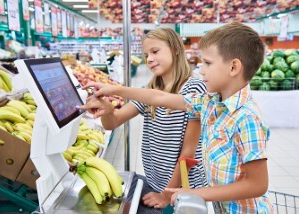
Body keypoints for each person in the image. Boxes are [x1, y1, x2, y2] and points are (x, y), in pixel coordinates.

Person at [78, 22, 274, 213]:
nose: (201, 69)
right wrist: (112, 97)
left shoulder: (244, 116)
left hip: (209, 197)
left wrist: (193, 193)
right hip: (205, 199)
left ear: (233, 67)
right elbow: (158, 97)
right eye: (146, 55)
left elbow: (257, 184)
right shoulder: (210, 103)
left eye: (207, 63)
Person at [79, 28, 208, 213]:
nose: (149, 59)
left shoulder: (194, 89)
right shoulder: (148, 89)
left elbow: (189, 152)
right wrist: (107, 110)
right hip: (155, 182)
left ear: (175, 49)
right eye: (146, 55)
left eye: (155, 52)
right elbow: (113, 122)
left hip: (184, 189)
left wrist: (166, 194)